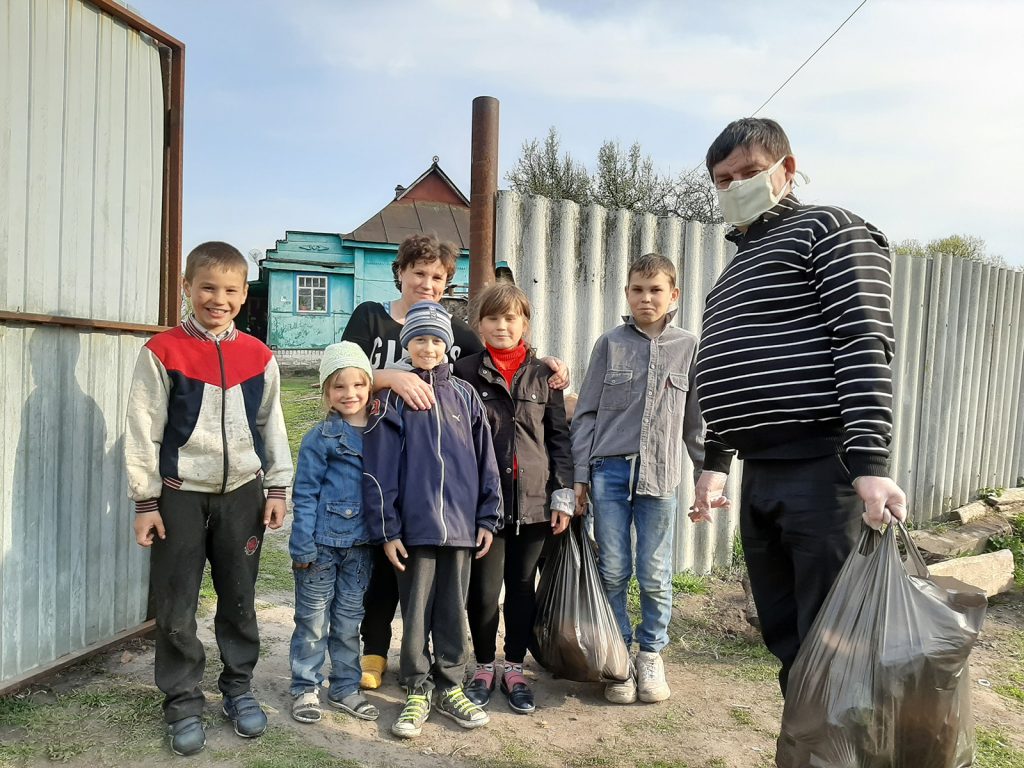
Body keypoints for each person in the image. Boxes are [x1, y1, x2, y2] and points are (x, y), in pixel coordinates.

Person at [688, 117, 908, 697]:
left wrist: (869, 466)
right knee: (788, 638)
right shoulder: (738, 263)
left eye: (749, 173)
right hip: (762, 474)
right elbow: (726, 365)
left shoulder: (830, 230)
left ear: (787, 169)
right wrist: (716, 460)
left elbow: (862, 340)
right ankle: (809, 746)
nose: (735, 186)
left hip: (822, 469)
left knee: (837, 641)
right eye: (723, 179)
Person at [341, 233, 568, 690]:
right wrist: (395, 379)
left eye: (437, 277)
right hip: (373, 450)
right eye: (419, 273)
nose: (427, 283)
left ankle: (460, 664)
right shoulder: (371, 317)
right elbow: (346, 371)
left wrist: (549, 364)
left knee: (430, 573)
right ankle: (375, 649)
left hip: (450, 481)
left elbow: (500, 351)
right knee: (381, 562)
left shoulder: (456, 335)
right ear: (400, 273)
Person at [125, 241, 292, 757]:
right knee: (176, 603)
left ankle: (238, 690)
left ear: (244, 295)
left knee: (239, 598)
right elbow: (142, 430)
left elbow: (272, 425)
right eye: (207, 288)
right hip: (178, 497)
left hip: (242, 495)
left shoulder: (258, 356)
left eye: (230, 290)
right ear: (188, 288)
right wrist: (145, 501)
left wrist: (277, 486)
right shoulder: (163, 351)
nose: (217, 299)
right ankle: (181, 701)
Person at [362, 301, 502, 739]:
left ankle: (450, 684)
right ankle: (417, 687)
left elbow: (486, 461)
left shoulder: (466, 396)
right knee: (417, 609)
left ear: (447, 346)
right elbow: (379, 470)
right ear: (408, 344)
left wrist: (487, 516)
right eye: (419, 339)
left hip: (461, 527)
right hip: (414, 529)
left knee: (452, 608)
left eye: (436, 339)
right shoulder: (392, 399)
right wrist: (387, 529)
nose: (428, 347)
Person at [570, 253, 704, 705]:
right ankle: (618, 659)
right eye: (637, 290)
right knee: (612, 570)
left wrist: (707, 478)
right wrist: (579, 477)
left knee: (654, 573)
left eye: (656, 290)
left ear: (673, 296)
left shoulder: (689, 346)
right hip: (609, 473)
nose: (646, 298)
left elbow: (695, 425)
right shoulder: (609, 343)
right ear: (627, 293)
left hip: (660, 475)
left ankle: (650, 655)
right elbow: (586, 413)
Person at [454, 283, 575, 714]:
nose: (502, 326)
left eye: (511, 318)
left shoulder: (545, 374)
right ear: (480, 324)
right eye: (492, 318)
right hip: (486, 507)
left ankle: (514, 667)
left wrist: (562, 492)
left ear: (525, 322)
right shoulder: (465, 372)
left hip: (536, 505)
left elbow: (559, 437)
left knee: (523, 590)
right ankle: (484, 666)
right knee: (484, 593)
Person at [288, 342, 378, 725]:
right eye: (339, 386)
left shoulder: (380, 435)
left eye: (358, 385)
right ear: (326, 392)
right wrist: (302, 542)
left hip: (361, 549)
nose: (350, 394)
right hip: (322, 546)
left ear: (369, 387)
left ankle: (345, 687)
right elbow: (304, 493)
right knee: (313, 620)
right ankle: (305, 686)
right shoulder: (319, 439)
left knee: (347, 621)